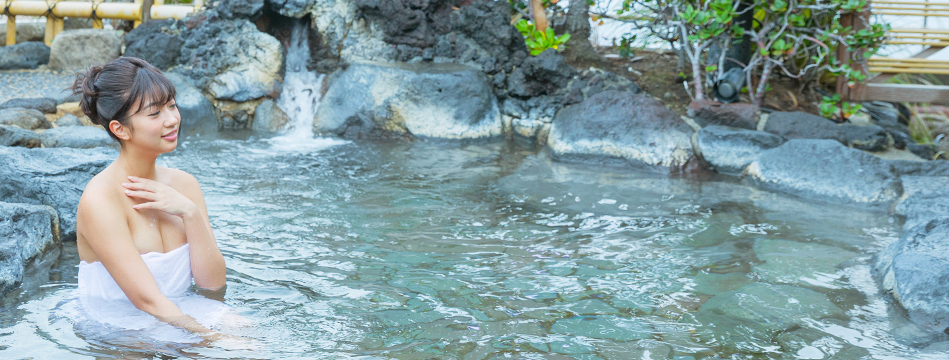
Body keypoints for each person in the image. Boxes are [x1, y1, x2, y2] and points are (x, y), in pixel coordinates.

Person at [70, 57, 229, 342]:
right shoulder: (101, 200)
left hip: (179, 314)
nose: (172, 120)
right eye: (154, 114)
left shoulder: (184, 185)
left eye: (172, 105)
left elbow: (212, 286)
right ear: (120, 129)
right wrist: (214, 339)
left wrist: (189, 212)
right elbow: (147, 301)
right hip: (118, 332)